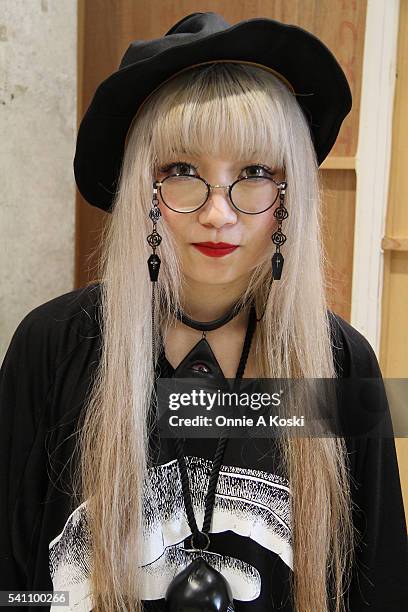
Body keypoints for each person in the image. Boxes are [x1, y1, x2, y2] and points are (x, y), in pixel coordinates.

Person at [1, 11, 407, 612]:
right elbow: (13, 581)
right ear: (142, 187)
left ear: (290, 195)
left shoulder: (338, 364)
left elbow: (379, 585)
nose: (219, 213)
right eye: (182, 172)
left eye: (256, 174)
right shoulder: (54, 346)